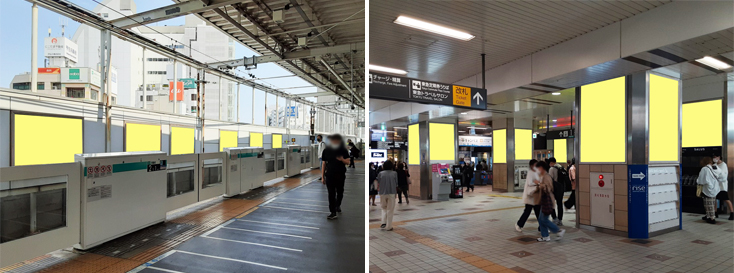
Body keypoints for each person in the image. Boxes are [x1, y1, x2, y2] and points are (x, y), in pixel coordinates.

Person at [321, 134, 351, 220]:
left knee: (340, 191)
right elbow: (324, 164)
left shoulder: (343, 150)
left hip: (340, 174)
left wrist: (342, 159)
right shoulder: (326, 151)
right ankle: (332, 212)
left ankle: (338, 205)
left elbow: (348, 162)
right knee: (331, 193)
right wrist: (322, 177)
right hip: (329, 175)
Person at [535, 161, 566, 241]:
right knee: (540, 219)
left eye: (538, 168)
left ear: (541, 168)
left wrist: (539, 184)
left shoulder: (546, 176)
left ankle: (558, 231)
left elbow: (548, 188)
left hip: (548, 200)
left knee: (544, 219)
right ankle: (545, 236)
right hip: (544, 200)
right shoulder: (542, 176)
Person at [516, 159, 540, 232]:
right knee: (527, 212)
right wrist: (538, 183)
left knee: (538, 212)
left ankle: (542, 227)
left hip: (535, 195)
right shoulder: (530, 172)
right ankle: (519, 224)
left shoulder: (537, 172)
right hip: (530, 196)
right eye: (535, 165)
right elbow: (530, 183)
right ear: (531, 166)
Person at [376, 160, 398, 231]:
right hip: (391, 193)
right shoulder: (394, 173)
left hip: (382, 192)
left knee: (383, 208)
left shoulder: (381, 173)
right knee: (390, 209)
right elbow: (396, 183)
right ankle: (389, 226)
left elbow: (378, 182)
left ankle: (383, 222)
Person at [697, 157, 720, 224]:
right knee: (712, 203)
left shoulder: (704, 169)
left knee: (708, 204)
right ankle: (709, 216)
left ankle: (712, 218)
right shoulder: (715, 167)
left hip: (707, 188)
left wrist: (698, 181)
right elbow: (720, 175)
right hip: (715, 188)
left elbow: (701, 180)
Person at [712, 154, 733, 220]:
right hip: (715, 185)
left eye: (716, 157)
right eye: (714, 157)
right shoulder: (714, 164)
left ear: (719, 157)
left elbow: (724, 175)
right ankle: (715, 213)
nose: (715, 158)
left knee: (725, 199)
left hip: (722, 185)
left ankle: (732, 213)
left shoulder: (723, 165)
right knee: (714, 199)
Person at [547, 157, 565, 226]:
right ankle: (560, 220)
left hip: (554, 188)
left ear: (551, 163)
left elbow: (550, 180)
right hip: (561, 188)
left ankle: (554, 218)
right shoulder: (561, 167)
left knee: (552, 204)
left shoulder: (552, 169)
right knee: (559, 204)